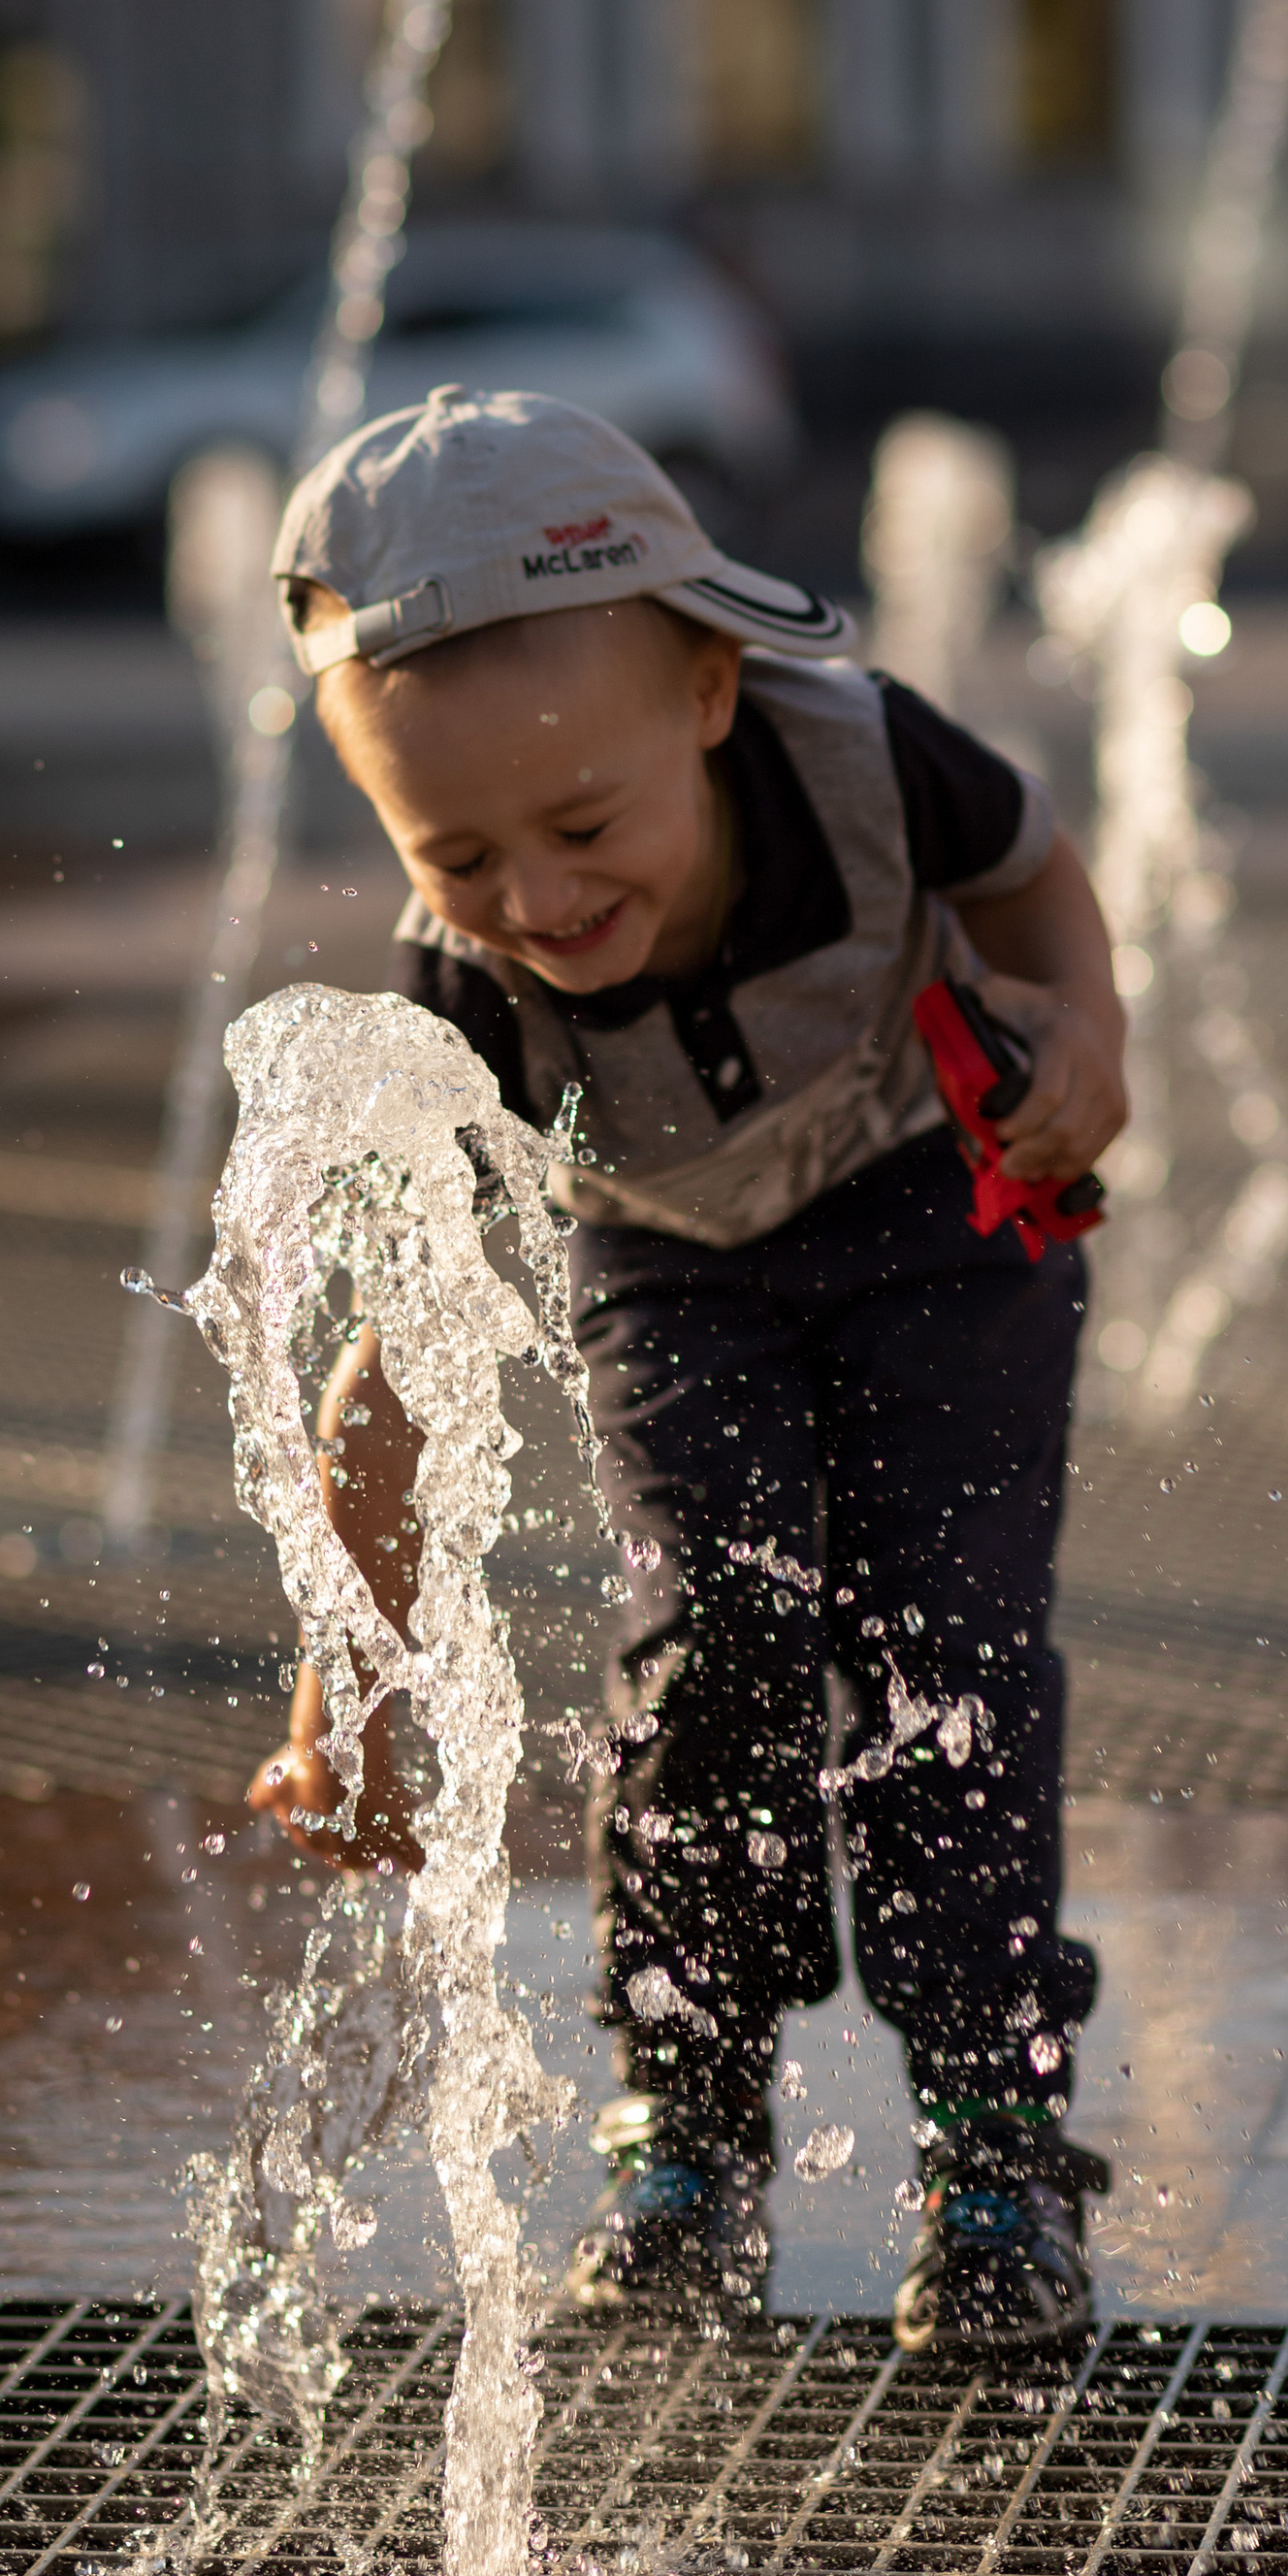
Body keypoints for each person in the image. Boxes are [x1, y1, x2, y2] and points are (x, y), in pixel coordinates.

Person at [246, 385, 1128, 2350]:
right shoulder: (466, 996)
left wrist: (1085, 1028)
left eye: (578, 826)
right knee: (709, 1635)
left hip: (938, 1219)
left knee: (948, 1649)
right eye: (451, 850)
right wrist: (344, 1697)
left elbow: (1031, 867)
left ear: (712, 694)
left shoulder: (866, 752)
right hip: (664, 1261)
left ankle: (993, 2134)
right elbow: (389, 1357)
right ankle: (686, 2117)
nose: (538, 902)